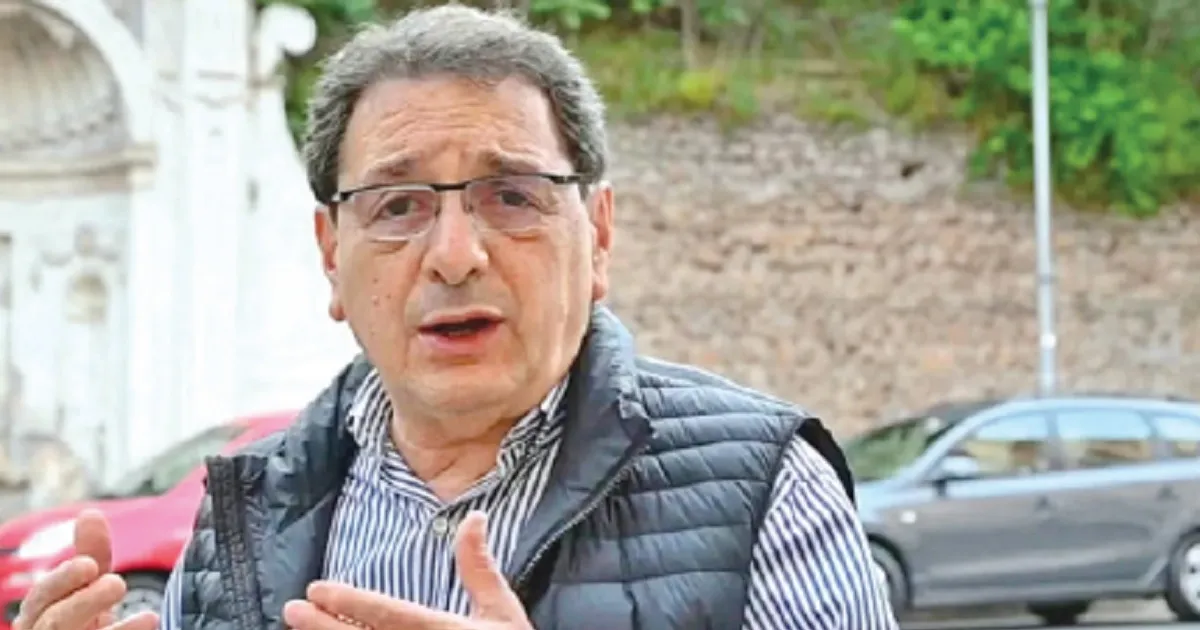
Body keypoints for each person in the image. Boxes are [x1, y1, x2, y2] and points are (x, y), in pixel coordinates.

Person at [14, 6, 897, 630]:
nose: (454, 254)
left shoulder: (764, 487)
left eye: (511, 195)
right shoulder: (242, 515)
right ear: (331, 254)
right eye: (397, 206)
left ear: (597, 236)